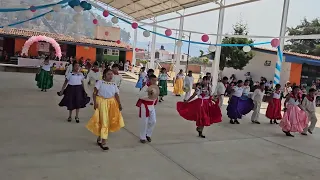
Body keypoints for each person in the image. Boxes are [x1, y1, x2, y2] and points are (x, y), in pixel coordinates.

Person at [86, 68, 124, 150]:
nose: (110, 76)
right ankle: (104, 141)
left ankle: (100, 136)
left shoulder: (113, 84)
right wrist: (95, 102)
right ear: (104, 75)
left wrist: (119, 104)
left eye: (111, 74)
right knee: (104, 121)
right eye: (108, 74)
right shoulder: (100, 82)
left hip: (111, 103)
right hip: (102, 103)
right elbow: (95, 92)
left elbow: (116, 95)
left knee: (107, 121)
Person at [136, 75, 159, 143]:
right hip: (145, 105)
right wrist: (148, 94)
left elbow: (156, 95)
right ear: (150, 80)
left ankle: (148, 134)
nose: (155, 81)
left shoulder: (155, 87)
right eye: (153, 80)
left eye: (155, 80)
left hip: (151, 106)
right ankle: (142, 137)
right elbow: (140, 95)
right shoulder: (146, 87)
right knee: (144, 122)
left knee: (153, 121)